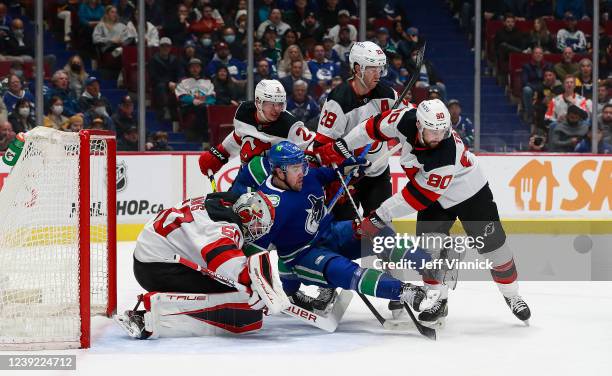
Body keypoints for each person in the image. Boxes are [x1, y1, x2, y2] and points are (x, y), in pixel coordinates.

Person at [317, 98, 532, 325]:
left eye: (444, 131)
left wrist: (379, 216)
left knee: (495, 250)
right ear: (419, 125)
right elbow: (372, 127)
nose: (439, 137)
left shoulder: (445, 154)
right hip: (431, 192)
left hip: (470, 191)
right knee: (429, 251)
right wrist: (343, 145)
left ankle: (512, 295)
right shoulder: (403, 119)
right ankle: (438, 300)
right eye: (433, 131)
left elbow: (417, 196)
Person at [248, 141, 440, 314]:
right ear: (279, 172)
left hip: (329, 234)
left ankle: (429, 264)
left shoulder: (307, 176)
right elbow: (254, 253)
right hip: (301, 256)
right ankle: (405, 292)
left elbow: (333, 174)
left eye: (303, 166)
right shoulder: (267, 206)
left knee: (373, 229)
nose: (302, 172)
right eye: (295, 168)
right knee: (344, 271)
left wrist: (348, 169)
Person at [115, 191, 286, 339]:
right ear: (246, 214)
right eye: (257, 225)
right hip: (157, 267)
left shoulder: (220, 201)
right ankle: (152, 320)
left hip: (151, 253)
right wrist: (254, 285)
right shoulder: (223, 228)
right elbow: (228, 265)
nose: (257, 231)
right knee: (239, 296)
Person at [313, 41, 404, 222]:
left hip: (378, 174)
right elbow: (320, 147)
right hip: (347, 179)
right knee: (346, 234)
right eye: (372, 69)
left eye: (380, 69)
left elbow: (407, 119)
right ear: (357, 68)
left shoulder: (388, 94)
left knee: (381, 230)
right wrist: (347, 161)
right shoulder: (337, 101)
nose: (378, 74)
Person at [198, 79, 314, 193]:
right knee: (229, 207)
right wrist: (220, 153)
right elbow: (239, 136)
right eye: (271, 104)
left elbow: (312, 146)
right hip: (244, 179)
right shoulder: (244, 112)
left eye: (280, 104)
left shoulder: (290, 125)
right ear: (258, 102)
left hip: (274, 186)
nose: (277, 109)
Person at [175, 58, 216, 142]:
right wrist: (193, 100)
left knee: (204, 109)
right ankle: (202, 137)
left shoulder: (207, 82)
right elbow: (181, 96)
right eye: (192, 67)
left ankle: (200, 136)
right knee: (200, 110)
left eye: (197, 67)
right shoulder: (183, 81)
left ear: (200, 68)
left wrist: (204, 102)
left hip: (204, 106)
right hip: (188, 107)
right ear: (189, 69)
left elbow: (212, 98)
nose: (195, 69)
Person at [148, 37, 181, 121]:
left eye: (167, 46)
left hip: (173, 84)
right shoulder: (153, 60)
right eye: (163, 46)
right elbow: (153, 76)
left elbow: (179, 73)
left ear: (170, 48)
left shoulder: (175, 59)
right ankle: (163, 111)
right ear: (159, 47)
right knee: (161, 87)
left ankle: (178, 115)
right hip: (159, 84)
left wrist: (177, 83)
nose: (165, 48)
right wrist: (167, 83)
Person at [521, 47, 552, 123]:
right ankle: (530, 114)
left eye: (540, 53)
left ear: (543, 55)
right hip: (532, 88)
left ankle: (549, 115)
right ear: (532, 55)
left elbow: (551, 79)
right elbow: (524, 82)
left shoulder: (548, 65)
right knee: (526, 90)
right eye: (536, 53)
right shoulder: (526, 67)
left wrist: (541, 88)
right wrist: (536, 89)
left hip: (545, 88)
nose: (538, 55)